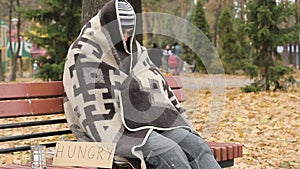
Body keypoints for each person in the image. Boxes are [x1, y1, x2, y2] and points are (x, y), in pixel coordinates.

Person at [63, 0, 221, 169]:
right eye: (122, 32)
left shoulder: (135, 49)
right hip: (117, 128)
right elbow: (91, 103)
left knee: (197, 146)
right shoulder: (83, 52)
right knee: (169, 152)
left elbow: (153, 80)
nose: (126, 37)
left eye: (129, 32)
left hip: (151, 120)